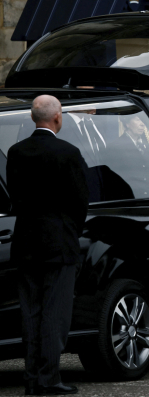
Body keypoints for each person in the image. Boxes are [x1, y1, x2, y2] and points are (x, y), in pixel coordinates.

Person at [7, 95, 89, 395]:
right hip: (58, 244)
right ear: (58, 118)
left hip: (25, 241)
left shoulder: (16, 152)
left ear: (32, 118)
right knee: (55, 312)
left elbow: (15, 196)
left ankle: (32, 376)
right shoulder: (68, 153)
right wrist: (70, 230)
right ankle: (49, 377)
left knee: (30, 312)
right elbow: (80, 200)